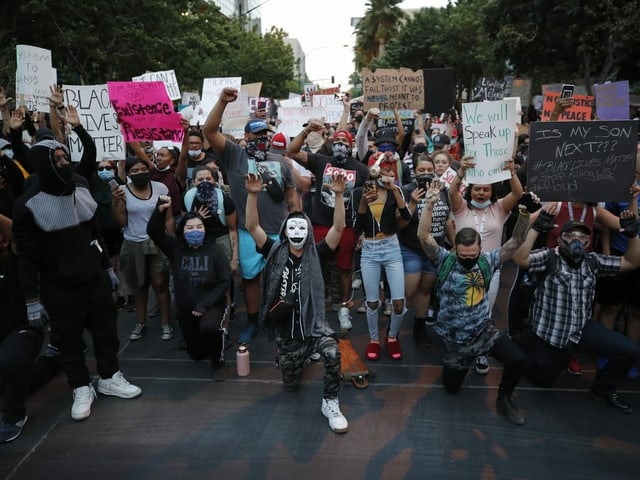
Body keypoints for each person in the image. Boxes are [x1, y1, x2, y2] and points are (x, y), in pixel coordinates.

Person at [12, 139, 141, 422]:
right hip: (58, 285)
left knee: (106, 330)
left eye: (65, 157)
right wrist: (32, 299)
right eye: (57, 159)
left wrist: (107, 267)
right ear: (43, 164)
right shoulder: (27, 204)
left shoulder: (81, 186)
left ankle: (109, 376)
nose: (64, 163)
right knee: (68, 339)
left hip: (93, 277)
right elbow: (27, 257)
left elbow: (93, 230)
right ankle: (81, 386)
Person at [417, 181, 531, 425]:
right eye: (463, 256)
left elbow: (517, 240)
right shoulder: (444, 259)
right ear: (455, 248)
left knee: (517, 359)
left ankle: (505, 398)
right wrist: (429, 205)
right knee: (451, 388)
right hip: (455, 340)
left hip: (482, 331)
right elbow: (423, 235)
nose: (468, 260)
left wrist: (525, 213)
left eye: (473, 256)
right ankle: (461, 366)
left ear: (480, 249)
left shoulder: (489, 260)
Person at [245, 169, 348, 433]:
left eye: (302, 226)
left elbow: (338, 228)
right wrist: (252, 196)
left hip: (314, 327)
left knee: (333, 353)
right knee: (290, 385)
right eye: (293, 226)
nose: (298, 231)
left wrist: (338, 197)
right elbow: (252, 227)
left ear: (310, 231)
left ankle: (330, 402)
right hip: (287, 332)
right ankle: (292, 357)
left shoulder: (318, 253)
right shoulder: (274, 251)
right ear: (284, 231)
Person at [512, 203, 640, 413]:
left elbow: (631, 262)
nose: (577, 242)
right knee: (542, 381)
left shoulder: (592, 261)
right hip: (551, 338)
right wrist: (536, 228)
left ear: (589, 242)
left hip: (580, 332)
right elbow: (520, 259)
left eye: (582, 238)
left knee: (630, 351)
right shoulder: (549, 257)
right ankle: (527, 348)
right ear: (561, 239)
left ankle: (603, 388)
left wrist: (633, 235)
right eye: (571, 237)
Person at [202, 87, 298, 345]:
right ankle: (254, 322)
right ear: (245, 136)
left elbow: (291, 194)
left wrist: (297, 218)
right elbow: (209, 131)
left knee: (281, 278)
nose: (261, 139)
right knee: (251, 279)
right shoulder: (234, 155)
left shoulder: (279, 161)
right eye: (256, 135)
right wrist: (222, 101)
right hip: (247, 231)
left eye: (265, 135)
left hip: (279, 230)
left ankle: (280, 319)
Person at [288, 120, 369, 330]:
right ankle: (317, 303)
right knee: (316, 265)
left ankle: (343, 307)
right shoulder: (320, 161)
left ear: (351, 146)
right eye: (337, 140)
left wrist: (361, 230)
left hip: (348, 226)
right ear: (332, 144)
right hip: (322, 223)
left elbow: (364, 202)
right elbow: (292, 151)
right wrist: (306, 130)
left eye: (345, 141)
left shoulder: (361, 169)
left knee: (344, 269)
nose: (340, 144)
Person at [449, 155, 523, 375]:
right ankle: (460, 347)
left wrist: (511, 172)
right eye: (477, 189)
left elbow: (518, 194)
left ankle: (481, 351)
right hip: (461, 271)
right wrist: (461, 171)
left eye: (486, 190)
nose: (481, 193)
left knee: (485, 313)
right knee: (460, 311)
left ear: (492, 192)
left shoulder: (499, 210)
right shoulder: (461, 208)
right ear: (470, 190)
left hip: (490, 271)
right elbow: (452, 192)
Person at [148, 198, 231, 381]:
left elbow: (224, 282)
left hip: (211, 306)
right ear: (182, 231)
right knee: (197, 355)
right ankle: (196, 342)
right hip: (186, 309)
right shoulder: (175, 248)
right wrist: (160, 210)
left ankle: (218, 362)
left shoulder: (215, 251)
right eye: (190, 228)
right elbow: (153, 231)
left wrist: (204, 305)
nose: (195, 231)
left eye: (199, 227)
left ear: (205, 229)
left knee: (209, 329)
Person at [352, 152, 412, 361]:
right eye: (383, 170)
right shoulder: (361, 192)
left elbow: (406, 217)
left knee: (398, 303)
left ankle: (393, 337)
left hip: (392, 247)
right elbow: (356, 228)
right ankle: (374, 339)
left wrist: (394, 190)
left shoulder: (396, 191)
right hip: (370, 248)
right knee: (372, 302)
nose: (387, 174)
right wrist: (362, 205)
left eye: (390, 171)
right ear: (374, 170)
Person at [111, 157, 174, 342]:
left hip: (157, 242)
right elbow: (120, 222)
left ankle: (165, 323)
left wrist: (172, 242)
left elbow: (169, 218)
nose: (139, 173)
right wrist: (116, 203)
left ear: (149, 170)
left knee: (161, 284)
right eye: (135, 171)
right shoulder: (121, 192)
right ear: (128, 174)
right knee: (139, 286)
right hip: (133, 243)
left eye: (142, 169)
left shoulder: (161, 189)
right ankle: (141, 322)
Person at [397, 155, 454, 341]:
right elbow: (400, 224)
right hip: (411, 248)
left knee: (426, 290)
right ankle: (394, 327)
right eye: (421, 170)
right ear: (414, 171)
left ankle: (419, 327)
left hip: (434, 250)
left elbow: (447, 220)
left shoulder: (443, 190)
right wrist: (412, 203)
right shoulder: (407, 191)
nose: (426, 173)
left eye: (429, 169)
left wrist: (453, 244)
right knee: (409, 291)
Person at [0, 214, 43, 442]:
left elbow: (20, 235)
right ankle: (51, 363)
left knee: (9, 361)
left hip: (22, 331)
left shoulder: (15, 262)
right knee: (12, 382)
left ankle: (13, 417)